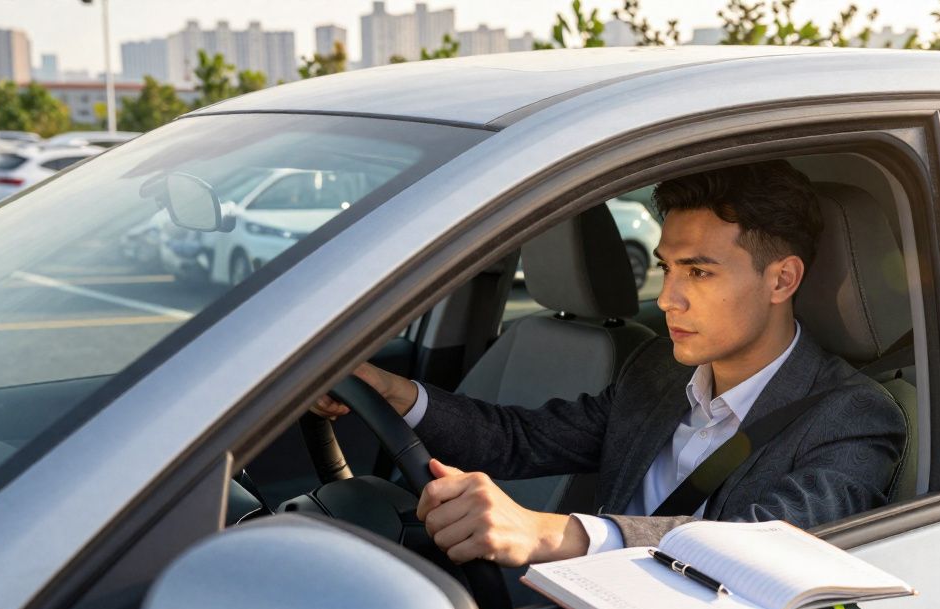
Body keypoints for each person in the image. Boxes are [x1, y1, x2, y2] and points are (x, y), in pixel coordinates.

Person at [315, 160, 907, 567]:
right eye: (667, 268)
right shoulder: (658, 371)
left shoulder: (853, 415)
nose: (669, 298)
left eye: (698, 272)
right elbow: (522, 440)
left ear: (782, 279)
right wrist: (399, 395)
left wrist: (552, 532)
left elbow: (770, 547)